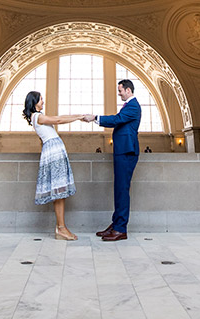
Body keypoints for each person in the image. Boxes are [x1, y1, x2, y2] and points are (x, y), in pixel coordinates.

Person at [83, 79, 141, 242]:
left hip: (127, 151)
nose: (119, 93)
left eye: (120, 90)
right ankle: (116, 224)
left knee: (122, 189)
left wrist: (95, 117)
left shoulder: (133, 106)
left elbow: (116, 120)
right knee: (119, 189)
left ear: (128, 90)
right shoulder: (129, 106)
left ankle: (120, 229)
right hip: (122, 151)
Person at [23, 91, 82, 241]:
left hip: (53, 152)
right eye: (41, 99)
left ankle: (61, 227)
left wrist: (78, 116)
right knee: (59, 192)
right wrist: (79, 117)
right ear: (34, 101)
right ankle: (61, 228)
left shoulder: (37, 117)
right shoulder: (37, 116)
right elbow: (58, 119)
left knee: (60, 193)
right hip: (54, 153)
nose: (43, 101)